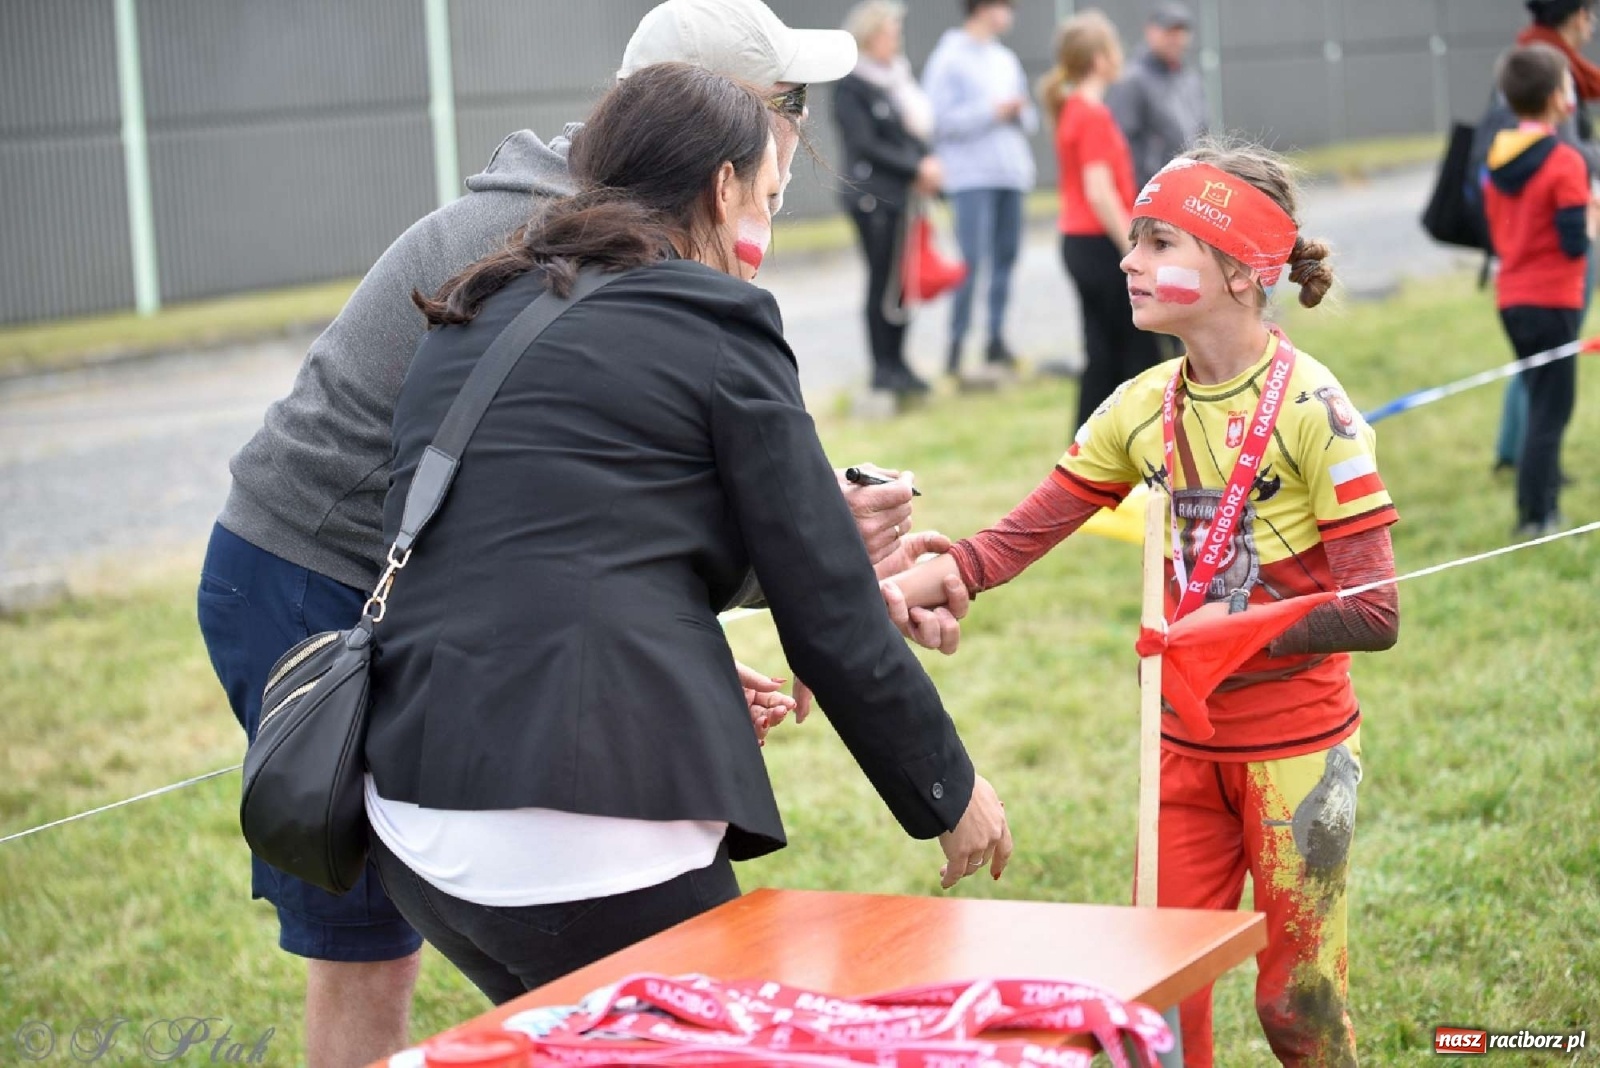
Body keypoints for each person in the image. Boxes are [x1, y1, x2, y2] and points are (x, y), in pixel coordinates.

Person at [194, 2, 968, 1065]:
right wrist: (796, 566)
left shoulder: (613, 223)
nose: (797, 130)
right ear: (713, 131)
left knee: (469, 928)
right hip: (314, 569)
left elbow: (607, 511)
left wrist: (687, 660)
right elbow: (549, 513)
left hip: (428, 566)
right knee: (362, 932)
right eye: (786, 105)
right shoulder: (542, 245)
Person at [363, 63, 1014, 1006]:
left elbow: (565, 542)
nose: (766, 228)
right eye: (768, 195)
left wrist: (681, 680)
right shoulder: (721, 318)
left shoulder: (482, 306)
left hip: (414, 822)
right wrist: (949, 792)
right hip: (580, 835)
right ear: (722, 187)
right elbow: (821, 604)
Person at [880, 141, 1400, 1067]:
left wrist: (1235, 630)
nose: (1128, 260)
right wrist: (889, 595)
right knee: (1155, 1000)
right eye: (1132, 240)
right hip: (1180, 752)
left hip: (1297, 757)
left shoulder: (1318, 410)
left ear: (1242, 270)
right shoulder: (1139, 406)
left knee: (1298, 1006)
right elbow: (1005, 545)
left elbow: (1375, 612)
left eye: (1160, 242)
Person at [1482, 45, 1594, 535]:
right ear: (1556, 97)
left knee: (1539, 397)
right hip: (1553, 299)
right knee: (1553, 408)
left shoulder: (1498, 157)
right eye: (1570, 84)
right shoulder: (1566, 161)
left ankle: (1537, 507)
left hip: (1512, 298)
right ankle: (1537, 516)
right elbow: (1573, 244)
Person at [1038, 9, 1162, 435]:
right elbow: (1098, 190)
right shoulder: (1090, 114)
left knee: (1103, 349)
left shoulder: (1074, 108)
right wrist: (1134, 247)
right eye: (1113, 46)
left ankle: (1089, 441)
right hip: (1098, 244)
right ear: (1099, 58)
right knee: (1139, 349)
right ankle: (1137, 438)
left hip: (1080, 243)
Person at [922, 0, 1038, 382]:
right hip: (970, 176)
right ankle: (955, 350)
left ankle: (995, 340)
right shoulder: (949, 57)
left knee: (1006, 260)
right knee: (969, 263)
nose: (1010, 13)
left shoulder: (1005, 58)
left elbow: (1029, 117)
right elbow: (936, 120)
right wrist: (991, 111)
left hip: (1011, 174)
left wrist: (1018, 111)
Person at [833, 0, 943, 398]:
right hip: (872, 199)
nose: (895, 40)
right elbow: (865, 144)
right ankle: (883, 367)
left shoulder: (893, 80)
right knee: (883, 282)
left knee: (901, 283)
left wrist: (927, 164)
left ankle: (900, 363)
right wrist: (916, 169)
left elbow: (906, 136)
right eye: (890, 33)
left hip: (901, 197)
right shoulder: (852, 85)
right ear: (871, 35)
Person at [1106, 2, 1208, 190]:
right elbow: (1119, 146)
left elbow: (1202, 134)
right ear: (1150, 31)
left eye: (1181, 31)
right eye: (1169, 31)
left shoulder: (1190, 80)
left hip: (1190, 190)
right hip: (1151, 193)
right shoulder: (1132, 81)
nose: (1176, 38)